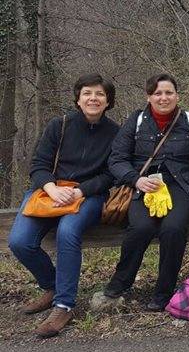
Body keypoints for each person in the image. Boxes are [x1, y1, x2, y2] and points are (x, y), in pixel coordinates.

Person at [8, 74, 120, 338]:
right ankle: (52, 286)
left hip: (89, 195)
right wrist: (52, 188)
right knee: (20, 241)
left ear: (108, 101)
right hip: (49, 192)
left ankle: (64, 304)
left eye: (100, 94)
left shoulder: (115, 133)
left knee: (68, 232)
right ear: (78, 98)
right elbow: (38, 165)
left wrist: (80, 190)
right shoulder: (59, 125)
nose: (93, 98)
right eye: (87, 93)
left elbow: (111, 174)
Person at [103, 74, 189, 311]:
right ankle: (122, 280)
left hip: (182, 185)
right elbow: (117, 159)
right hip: (145, 185)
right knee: (141, 228)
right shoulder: (135, 121)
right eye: (157, 93)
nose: (163, 98)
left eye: (168, 93)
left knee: (173, 229)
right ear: (149, 96)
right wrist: (136, 180)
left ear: (177, 95)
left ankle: (163, 291)